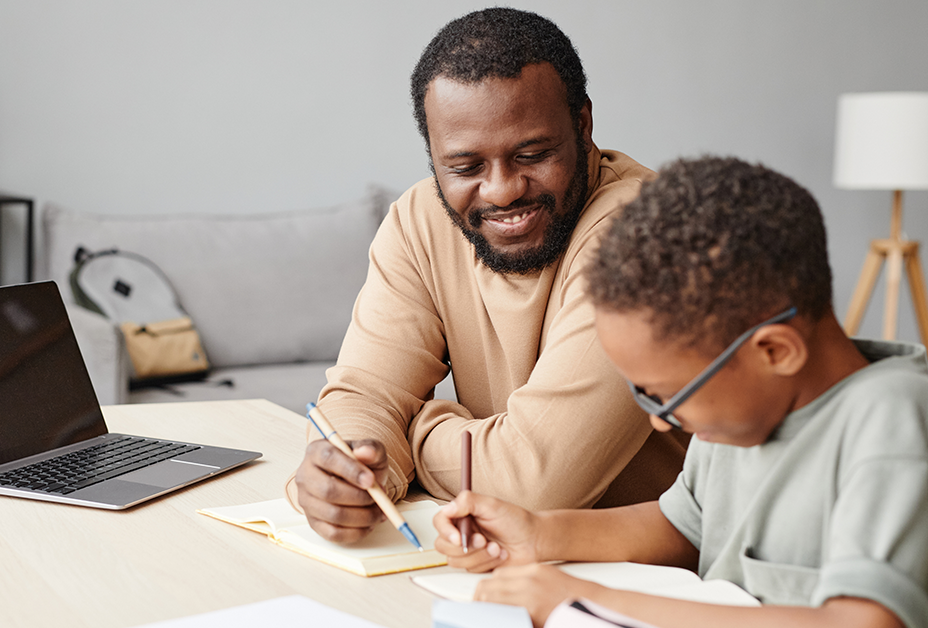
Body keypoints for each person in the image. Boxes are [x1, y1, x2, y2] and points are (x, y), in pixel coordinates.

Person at [432, 156, 928, 628]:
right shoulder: (739, 416)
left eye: (666, 396)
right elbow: (683, 529)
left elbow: (866, 620)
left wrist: (583, 601)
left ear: (775, 352)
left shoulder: (891, 418)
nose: (660, 421)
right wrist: (538, 533)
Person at [288, 7, 688, 544]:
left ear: (584, 126)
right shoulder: (419, 221)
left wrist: (416, 431)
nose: (501, 191)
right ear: (433, 158)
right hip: (502, 564)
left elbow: (536, 483)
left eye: (533, 154)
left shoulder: (649, 232)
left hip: (656, 579)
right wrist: (347, 468)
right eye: (465, 167)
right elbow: (363, 396)